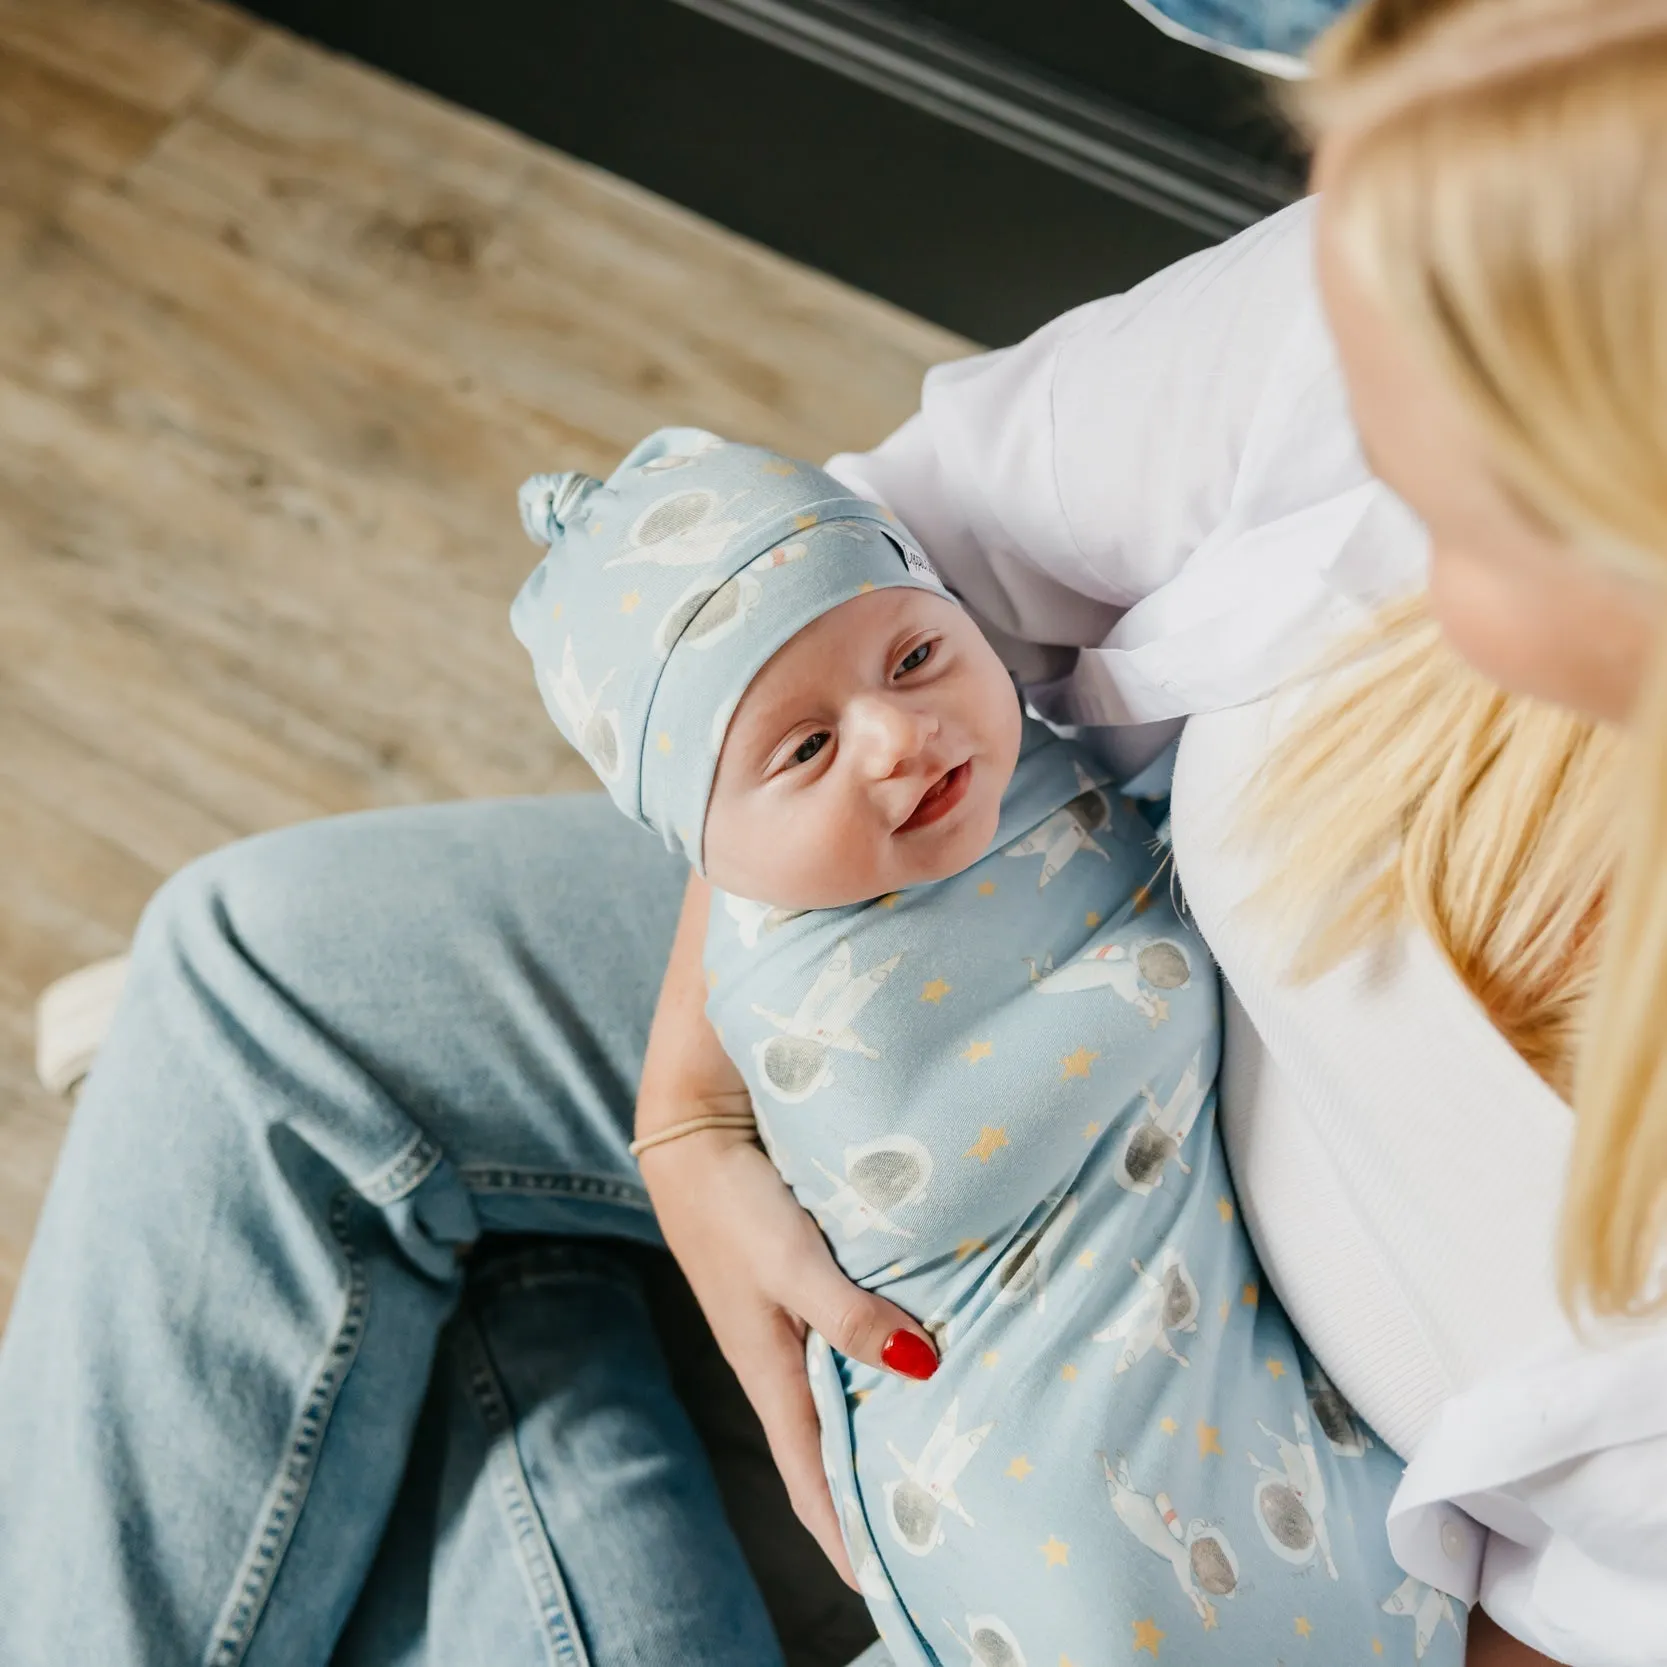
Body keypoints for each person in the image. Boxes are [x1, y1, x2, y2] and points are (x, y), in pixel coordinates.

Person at [0, 0, 1660, 1663]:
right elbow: (904, 530)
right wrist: (696, 1091)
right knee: (255, 976)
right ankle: (548, 1274)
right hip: (1029, 932)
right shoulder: (1501, 203)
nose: (1359, 409)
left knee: (422, 1353)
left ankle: (522, 1290)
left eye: (1443, 463)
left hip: (1230, 1515)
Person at [510, 428, 1458, 1663]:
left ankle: (532, 1301)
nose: (898, 737)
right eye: (803, 749)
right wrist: (1163, 960)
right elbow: (915, 1161)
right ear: (699, 848)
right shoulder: (808, 999)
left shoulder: (984, 759)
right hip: (1045, 1513)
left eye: (915, 654)